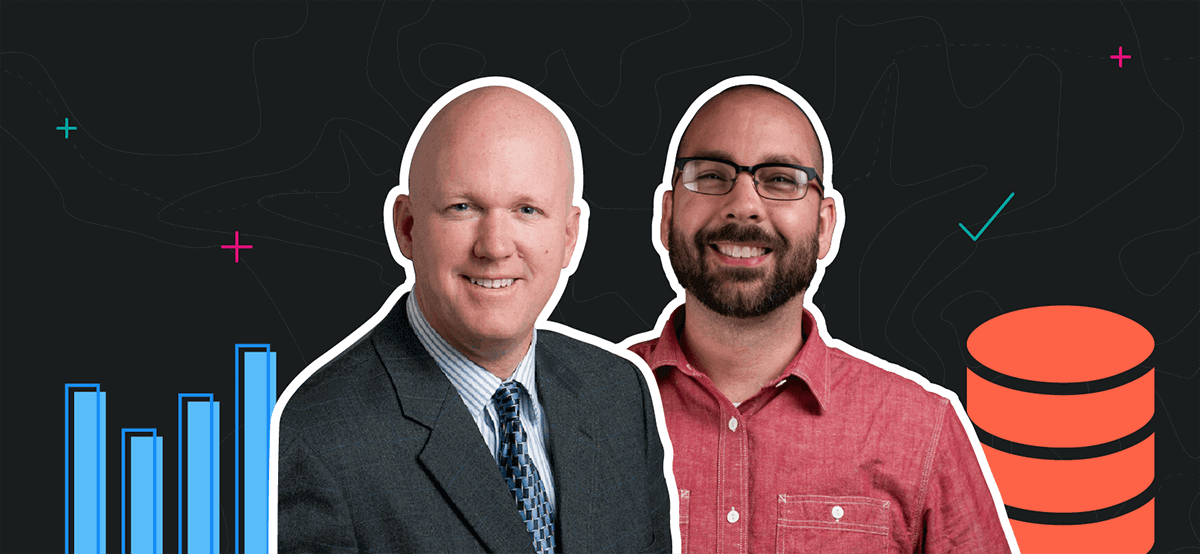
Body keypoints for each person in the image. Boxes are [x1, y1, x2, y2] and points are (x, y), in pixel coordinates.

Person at [275, 78, 672, 554]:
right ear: (407, 227)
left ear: (570, 237)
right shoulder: (323, 434)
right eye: (463, 208)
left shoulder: (621, 395)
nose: (496, 247)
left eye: (527, 210)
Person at [624, 76, 1015, 553]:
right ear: (666, 216)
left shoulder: (921, 430)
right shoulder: (572, 413)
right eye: (710, 176)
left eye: (781, 180)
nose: (744, 206)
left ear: (825, 226)